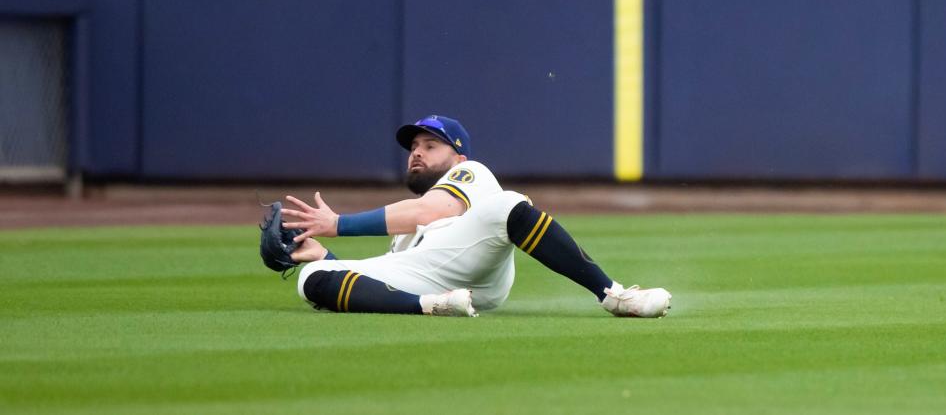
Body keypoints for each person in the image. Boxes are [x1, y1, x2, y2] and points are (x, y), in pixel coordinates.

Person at [259, 114, 671, 318]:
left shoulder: (471, 174)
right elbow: (385, 271)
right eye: (413, 146)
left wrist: (338, 224)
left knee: (506, 203)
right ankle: (434, 306)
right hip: (432, 279)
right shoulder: (402, 224)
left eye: (430, 145)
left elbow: (429, 210)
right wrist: (320, 254)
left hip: (473, 263)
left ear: (458, 156)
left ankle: (613, 295)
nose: (416, 152)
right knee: (310, 280)